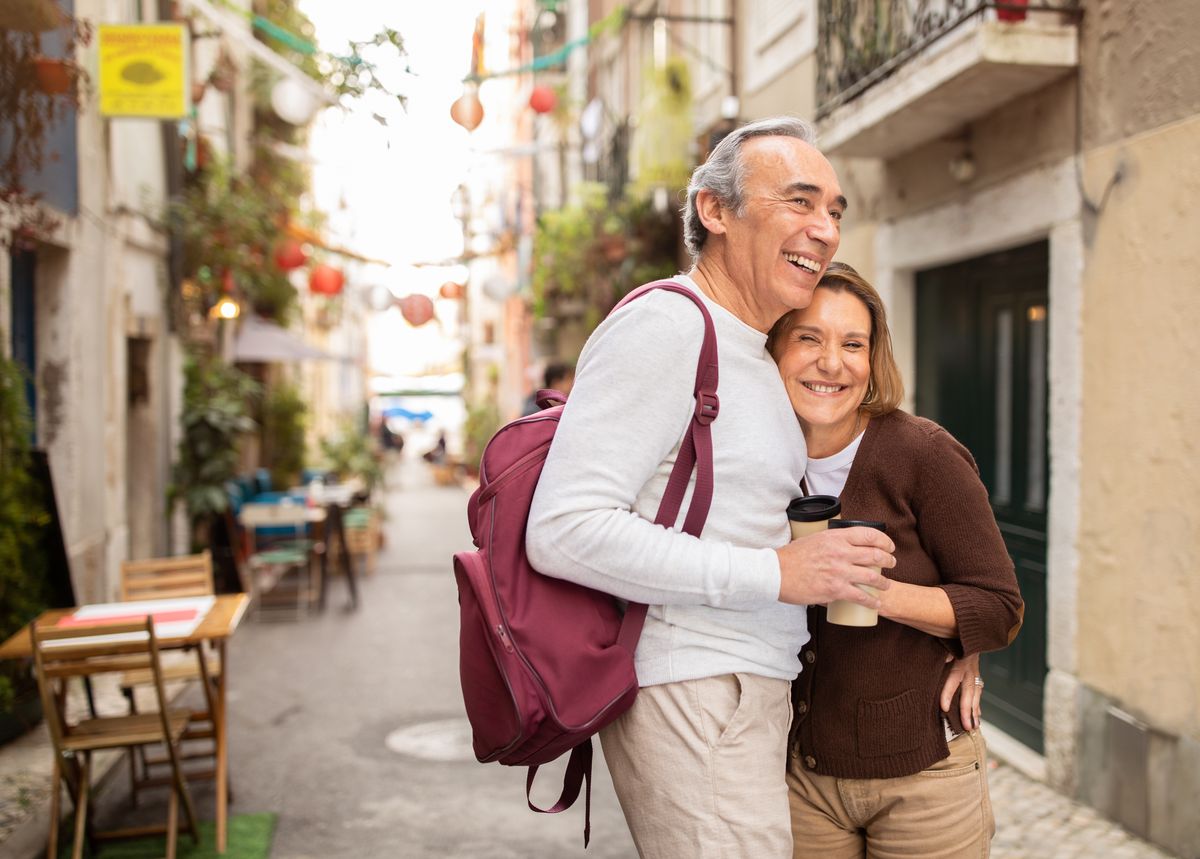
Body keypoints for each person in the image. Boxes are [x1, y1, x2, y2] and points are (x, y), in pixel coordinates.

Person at [526, 117, 896, 857]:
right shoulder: (669, 325)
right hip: (696, 689)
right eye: (799, 201)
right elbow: (563, 527)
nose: (823, 229)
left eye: (834, 210)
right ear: (715, 210)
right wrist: (774, 571)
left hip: (742, 690)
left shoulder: (753, 345)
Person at [767, 262, 1024, 857]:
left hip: (923, 778)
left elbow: (999, 605)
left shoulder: (921, 453)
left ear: (872, 359)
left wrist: (865, 589)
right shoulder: (751, 457)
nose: (831, 362)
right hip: (797, 777)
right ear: (774, 348)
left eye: (852, 344)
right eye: (809, 338)